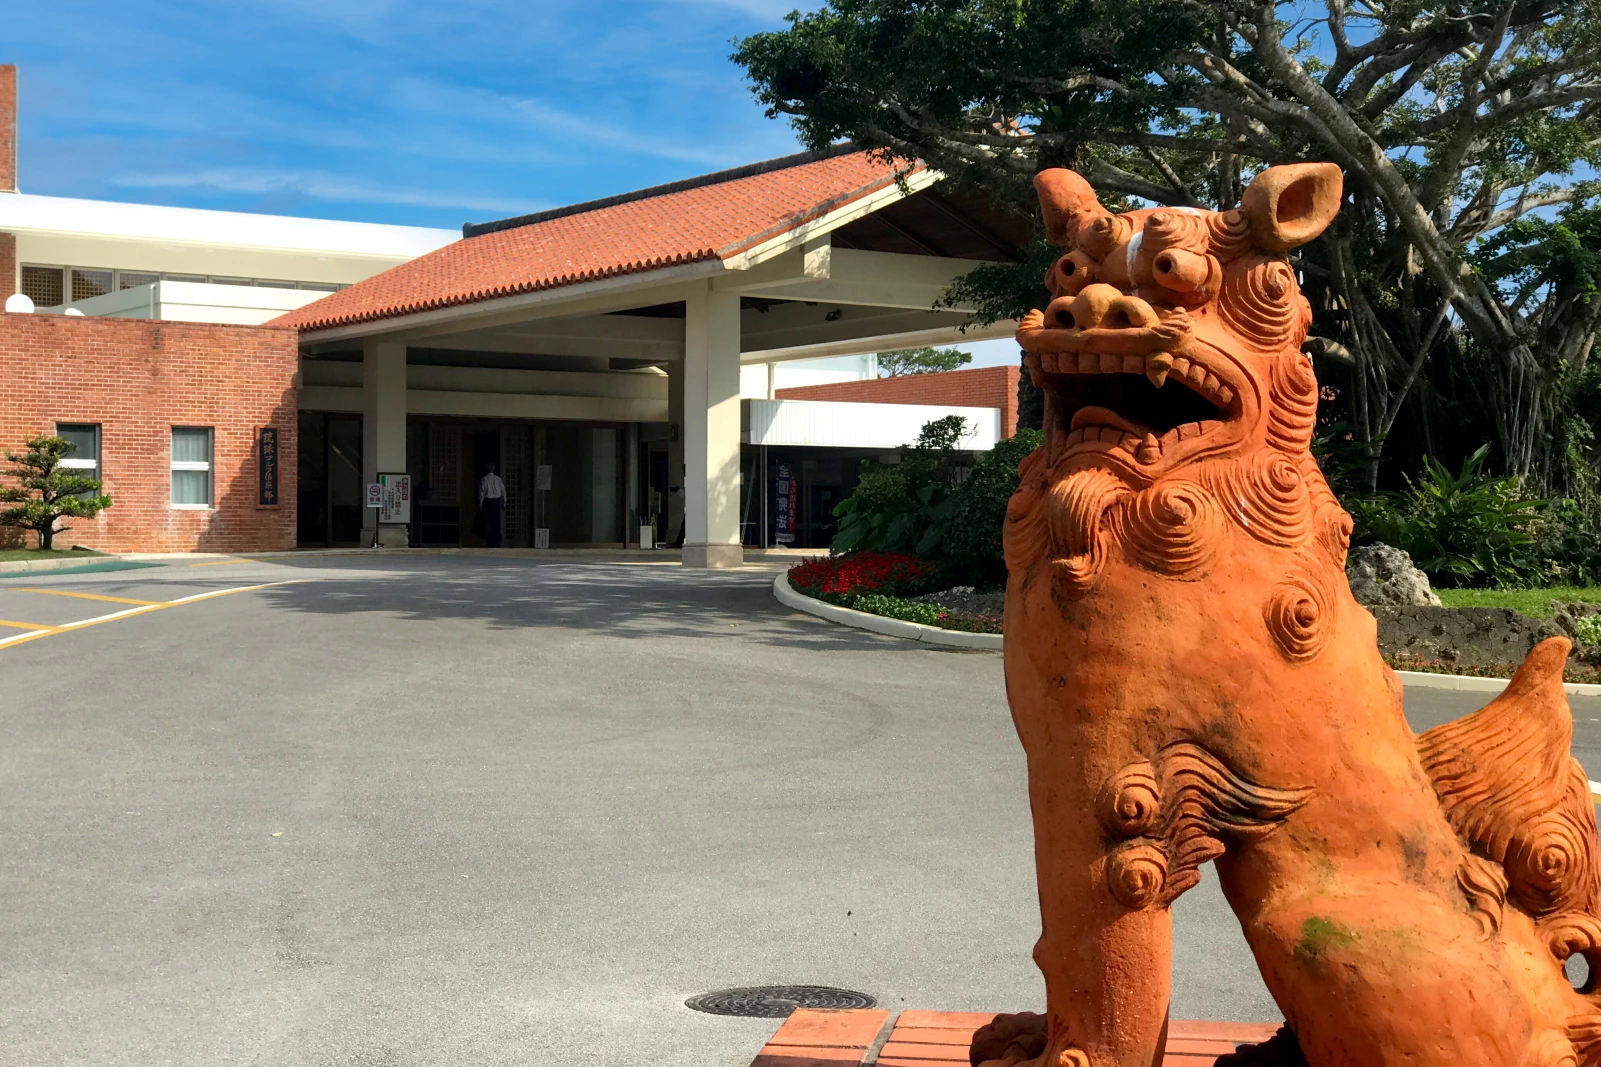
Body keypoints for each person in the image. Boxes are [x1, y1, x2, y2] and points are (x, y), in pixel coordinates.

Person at [477, 463, 505, 548]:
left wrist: (480, 504)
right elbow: (503, 491)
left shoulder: (484, 479)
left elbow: (481, 493)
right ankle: (496, 541)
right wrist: (504, 502)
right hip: (496, 501)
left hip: (488, 502)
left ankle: (490, 542)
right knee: (496, 522)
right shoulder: (498, 479)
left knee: (488, 522)